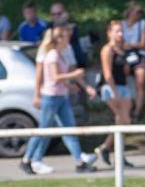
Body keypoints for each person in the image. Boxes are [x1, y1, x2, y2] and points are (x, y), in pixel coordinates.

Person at [19, 26, 99, 175]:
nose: (69, 38)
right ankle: (27, 159)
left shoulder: (61, 54)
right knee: (44, 130)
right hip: (51, 97)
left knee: (69, 129)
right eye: (66, 36)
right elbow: (55, 77)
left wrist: (69, 86)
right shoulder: (52, 55)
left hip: (61, 96)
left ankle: (80, 162)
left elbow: (59, 77)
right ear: (59, 39)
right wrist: (74, 75)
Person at [94, 20, 135, 168]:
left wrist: (128, 58)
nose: (120, 34)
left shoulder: (122, 49)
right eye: (117, 31)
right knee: (125, 121)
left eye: (121, 31)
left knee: (122, 123)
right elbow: (107, 73)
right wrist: (115, 93)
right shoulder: (107, 50)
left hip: (123, 85)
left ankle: (107, 149)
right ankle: (112, 151)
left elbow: (126, 72)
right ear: (109, 33)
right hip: (111, 87)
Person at [121, 0, 145, 119]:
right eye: (137, 11)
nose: (139, 14)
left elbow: (144, 44)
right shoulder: (122, 24)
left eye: (141, 12)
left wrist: (130, 45)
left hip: (140, 54)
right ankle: (126, 106)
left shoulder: (142, 24)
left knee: (140, 80)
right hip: (127, 55)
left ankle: (137, 112)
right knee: (121, 77)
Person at [49, 2, 86, 67]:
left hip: (75, 62)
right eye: (53, 14)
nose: (56, 16)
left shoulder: (72, 27)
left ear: (65, 14)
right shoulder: (48, 27)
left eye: (59, 14)